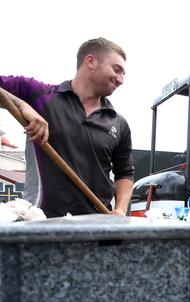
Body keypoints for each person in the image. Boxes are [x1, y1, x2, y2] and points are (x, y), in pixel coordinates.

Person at [0, 37, 134, 217]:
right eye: (117, 70)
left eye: (123, 73)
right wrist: (22, 105)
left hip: (97, 225)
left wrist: (120, 209)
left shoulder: (119, 123)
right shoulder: (39, 95)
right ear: (90, 61)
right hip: (40, 221)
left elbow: (125, 173)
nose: (121, 80)